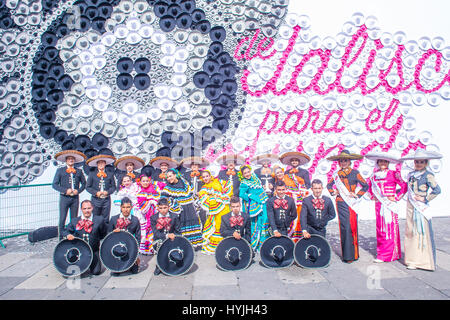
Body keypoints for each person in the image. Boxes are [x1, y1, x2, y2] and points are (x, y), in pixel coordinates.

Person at [401, 149, 442, 271]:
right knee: (411, 231)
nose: (418, 164)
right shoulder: (411, 175)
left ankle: (423, 261)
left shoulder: (428, 175)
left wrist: (425, 199)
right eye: (417, 161)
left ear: (426, 163)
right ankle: (411, 259)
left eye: (421, 162)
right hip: (410, 206)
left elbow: (437, 190)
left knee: (421, 232)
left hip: (420, 207)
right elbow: (405, 189)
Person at [327, 150, 369, 263]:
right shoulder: (336, 174)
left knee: (352, 227)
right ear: (339, 162)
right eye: (341, 161)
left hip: (351, 203)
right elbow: (329, 185)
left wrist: (357, 194)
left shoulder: (355, 173)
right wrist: (333, 192)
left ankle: (354, 254)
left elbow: (365, 186)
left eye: (345, 160)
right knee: (344, 227)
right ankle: (347, 255)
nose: (343, 162)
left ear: (349, 161)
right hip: (341, 202)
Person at [366, 152, 407, 263]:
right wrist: (372, 196)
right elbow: (368, 186)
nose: (383, 163)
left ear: (388, 162)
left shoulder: (394, 174)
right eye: (381, 161)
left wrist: (397, 197)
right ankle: (383, 253)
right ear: (378, 163)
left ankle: (390, 254)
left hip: (389, 205)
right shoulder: (374, 175)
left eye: (385, 161)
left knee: (389, 229)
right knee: (381, 229)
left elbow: (404, 186)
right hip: (379, 205)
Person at [160, 168, 203, 250]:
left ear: (175, 175)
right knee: (181, 226)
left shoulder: (185, 183)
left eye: (170, 176)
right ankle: (184, 245)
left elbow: (192, 193)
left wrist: (196, 203)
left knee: (193, 224)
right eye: (167, 177)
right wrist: (175, 205)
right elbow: (164, 200)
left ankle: (194, 245)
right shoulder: (167, 188)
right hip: (180, 210)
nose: (169, 178)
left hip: (190, 208)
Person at [63, 200, 107, 275]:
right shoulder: (75, 221)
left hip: (93, 251)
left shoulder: (99, 220)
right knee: (76, 272)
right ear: (81, 209)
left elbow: (103, 233)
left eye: (89, 208)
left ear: (92, 208)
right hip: (80, 251)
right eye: (84, 209)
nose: (87, 211)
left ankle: (92, 263)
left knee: (96, 272)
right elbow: (64, 231)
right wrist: (68, 235)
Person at [52, 150, 87, 240]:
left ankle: (73, 236)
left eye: (72, 159)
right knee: (62, 217)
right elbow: (54, 184)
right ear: (66, 160)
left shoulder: (79, 171)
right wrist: (64, 190)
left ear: (74, 160)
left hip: (75, 198)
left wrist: (78, 191)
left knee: (74, 218)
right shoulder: (60, 170)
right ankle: (61, 237)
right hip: (64, 197)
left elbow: (84, 184)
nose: (71, 160)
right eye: (69, 159)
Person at [198, 170, 232, 254]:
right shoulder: (203, 188)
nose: (206, 178)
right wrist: (214, 198)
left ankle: (226, 245)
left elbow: (228, 187)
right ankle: (217, 247)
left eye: (207, 176)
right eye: (204, 177)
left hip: (225, 207)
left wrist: (222, 196)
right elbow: (203, 198)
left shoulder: (218, 181)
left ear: (210, 176)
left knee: (225, 224)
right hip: (214, 210)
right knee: (217, 226)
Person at [273, 165, 309, 241]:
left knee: (296, 219)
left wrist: (301, 190)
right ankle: (288, 239)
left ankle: (296, 240)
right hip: (285, 204)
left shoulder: (290, 176)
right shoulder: (277, 183)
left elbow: (301, 181)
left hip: (296, 202)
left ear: (283, 172)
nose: (279, 174)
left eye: (280, 172)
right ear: (275, 175)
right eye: (277, 173)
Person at [238, 165, 270, 252]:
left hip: (263, 201)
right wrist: (250, 198)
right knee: (256, 223)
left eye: (248, 172)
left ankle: (263, 244)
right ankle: (255, 245)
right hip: (255, 205)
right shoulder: (244, 183)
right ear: (242, 175)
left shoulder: (255, 177)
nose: (247, 174)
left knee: (264, 221)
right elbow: (241, 194)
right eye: (245, 173)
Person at [107, 197, 141, 275]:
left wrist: (136, 254)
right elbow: (108, 236)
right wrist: (113, 233)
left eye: (128, 207)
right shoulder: (114, 219)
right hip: (117, 247)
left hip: (129, 247)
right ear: (120, 207)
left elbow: (138, 238)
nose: (126, 210)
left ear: (131, 207)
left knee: (134, 271)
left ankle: (132, 262)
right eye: (124, 207)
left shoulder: (135, 220)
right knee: (116, 271)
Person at [151, 197, 181, 275]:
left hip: (172, 239)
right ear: (157, 208)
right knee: (160, 245)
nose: (163, 210)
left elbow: (178, 231)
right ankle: (159, 265)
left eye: (165, 207)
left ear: (168, 207)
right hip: (160, 239)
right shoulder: (154, 218)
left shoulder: (174, 216)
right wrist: (167, 236)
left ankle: (174, 262)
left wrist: (174, 236)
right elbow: (156, 233)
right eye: (161, 208)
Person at [134, 174, 162, 255]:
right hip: (146, 217)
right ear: (140, 182)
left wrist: (155, 203)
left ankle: (157, 247)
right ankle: (149, 248)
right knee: (147, 230)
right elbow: (142, 208)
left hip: (157, 213)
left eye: (147, 181)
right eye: (143, 181)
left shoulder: (155, 190)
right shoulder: (140, 193)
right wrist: (149, 202)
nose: (145, 182)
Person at [86, 154, 116, 223]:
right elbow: (87, 187)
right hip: (95, 199)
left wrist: (107, 192)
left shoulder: (110, 174)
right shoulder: (92, 174)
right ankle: (96, 233)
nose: (101, 164)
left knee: (106, 218)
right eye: (99, 163)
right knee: (95, 217)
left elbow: (113, 186)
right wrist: (96, 193)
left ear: (105, 163)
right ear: (97, 164)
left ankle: (105, 233)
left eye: (102, 162)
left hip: (106, 199)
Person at [180, 156, 210, 225]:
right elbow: (184, 186)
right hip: (190, 198)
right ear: (190, 166)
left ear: (198, 166)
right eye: (192, 165)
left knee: (202, 214)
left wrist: (202, 192)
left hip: (201, 198)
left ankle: (204, 229)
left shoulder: (203, 174)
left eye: (196, 165)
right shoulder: (186, 175)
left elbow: (207, 184)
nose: (194, 166)